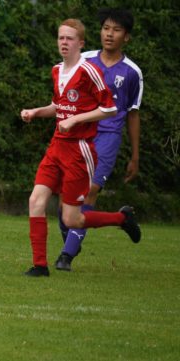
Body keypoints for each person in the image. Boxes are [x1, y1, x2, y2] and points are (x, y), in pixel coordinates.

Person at [19, 18, 141, 277]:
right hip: (56, 147)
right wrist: (36, 111)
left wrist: (76, 120)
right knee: (36, 200)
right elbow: (58, 106)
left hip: (79, 149)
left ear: (81, 43)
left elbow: (109, 108)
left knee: (72, 219)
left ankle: (122, 219)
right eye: (61, 38)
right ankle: (40, 266)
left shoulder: (89, 72)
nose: (64, 42)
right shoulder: (56, 71)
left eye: (70, 38)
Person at [54, 9, 143, 271]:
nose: (109, 34)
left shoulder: (131, 72)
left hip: (107, 137)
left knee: (89, 192)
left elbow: (133, 114)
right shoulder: (85, 60)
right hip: (78, 134)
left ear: (126, 37)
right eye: (106, 28)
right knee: (64, 202)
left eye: (116, 30)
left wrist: (135, 156)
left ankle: (66, 257)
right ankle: (117, 220)